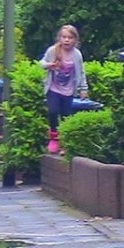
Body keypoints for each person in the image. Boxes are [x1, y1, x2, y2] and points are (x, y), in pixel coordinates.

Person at [40, 25, 88, 154]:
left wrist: (83, 88)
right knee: (53, 111)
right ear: (59, 38)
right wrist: (50, 65)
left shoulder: (77, 55)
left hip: (69, 90)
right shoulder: (53, 50)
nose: (66, 40)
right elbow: (42, 63)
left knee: (66, 115)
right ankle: (54, 138)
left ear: (75, 40)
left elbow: (81, 72)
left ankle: (64, 143)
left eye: (70, 37)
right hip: (53, 88)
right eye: (64, 37)